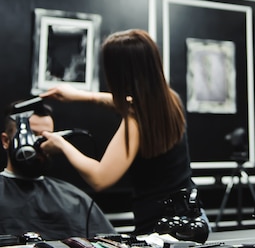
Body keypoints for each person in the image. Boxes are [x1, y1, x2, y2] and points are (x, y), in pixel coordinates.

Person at [39, 29, 209, 239]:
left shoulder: (136, 121)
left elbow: (100, 178)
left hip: (160, 234)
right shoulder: (170, 100)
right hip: (193, 220)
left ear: (119, 73)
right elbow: (127, 103)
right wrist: (83, 97)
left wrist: (62, 144)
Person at [0, 101, 115, 239]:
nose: (40, 143)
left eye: (46, 136)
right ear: (6, 141)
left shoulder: (74, 199)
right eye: (32, 135)